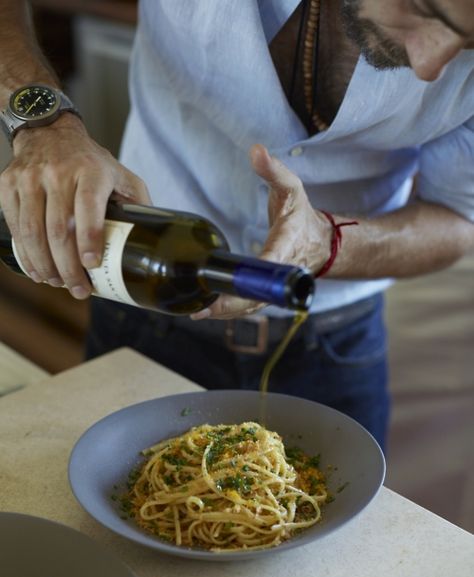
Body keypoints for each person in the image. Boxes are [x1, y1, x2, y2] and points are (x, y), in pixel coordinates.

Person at [1, 1, 474, 453]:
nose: (432, 67)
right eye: (427, 9)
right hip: (141, 315)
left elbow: (459, 220)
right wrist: (44, 123)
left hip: (335, 346)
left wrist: (327, 243)